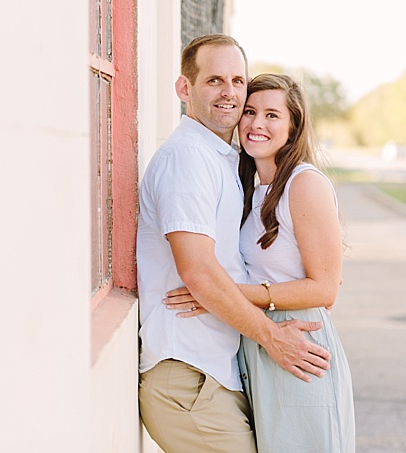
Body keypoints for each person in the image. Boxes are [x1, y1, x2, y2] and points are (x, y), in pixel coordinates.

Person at [137, 34, 332, 453]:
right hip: (188, 374)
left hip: (215, 372)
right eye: (214, 81)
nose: (229, 93)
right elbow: (199, 272)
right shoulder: (188, 158)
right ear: (184, 89)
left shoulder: (223, 162)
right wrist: (272, 337)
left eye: (238, 81)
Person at [166, 73, 356, 452]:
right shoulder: (248, 187)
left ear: (293, 126)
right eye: (250, 111)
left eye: (272, 115)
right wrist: (229, 300)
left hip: (297, 340)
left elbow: (324, 288)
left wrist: (223, 294)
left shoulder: (305, 184)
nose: (256, 124)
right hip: (256, 340)